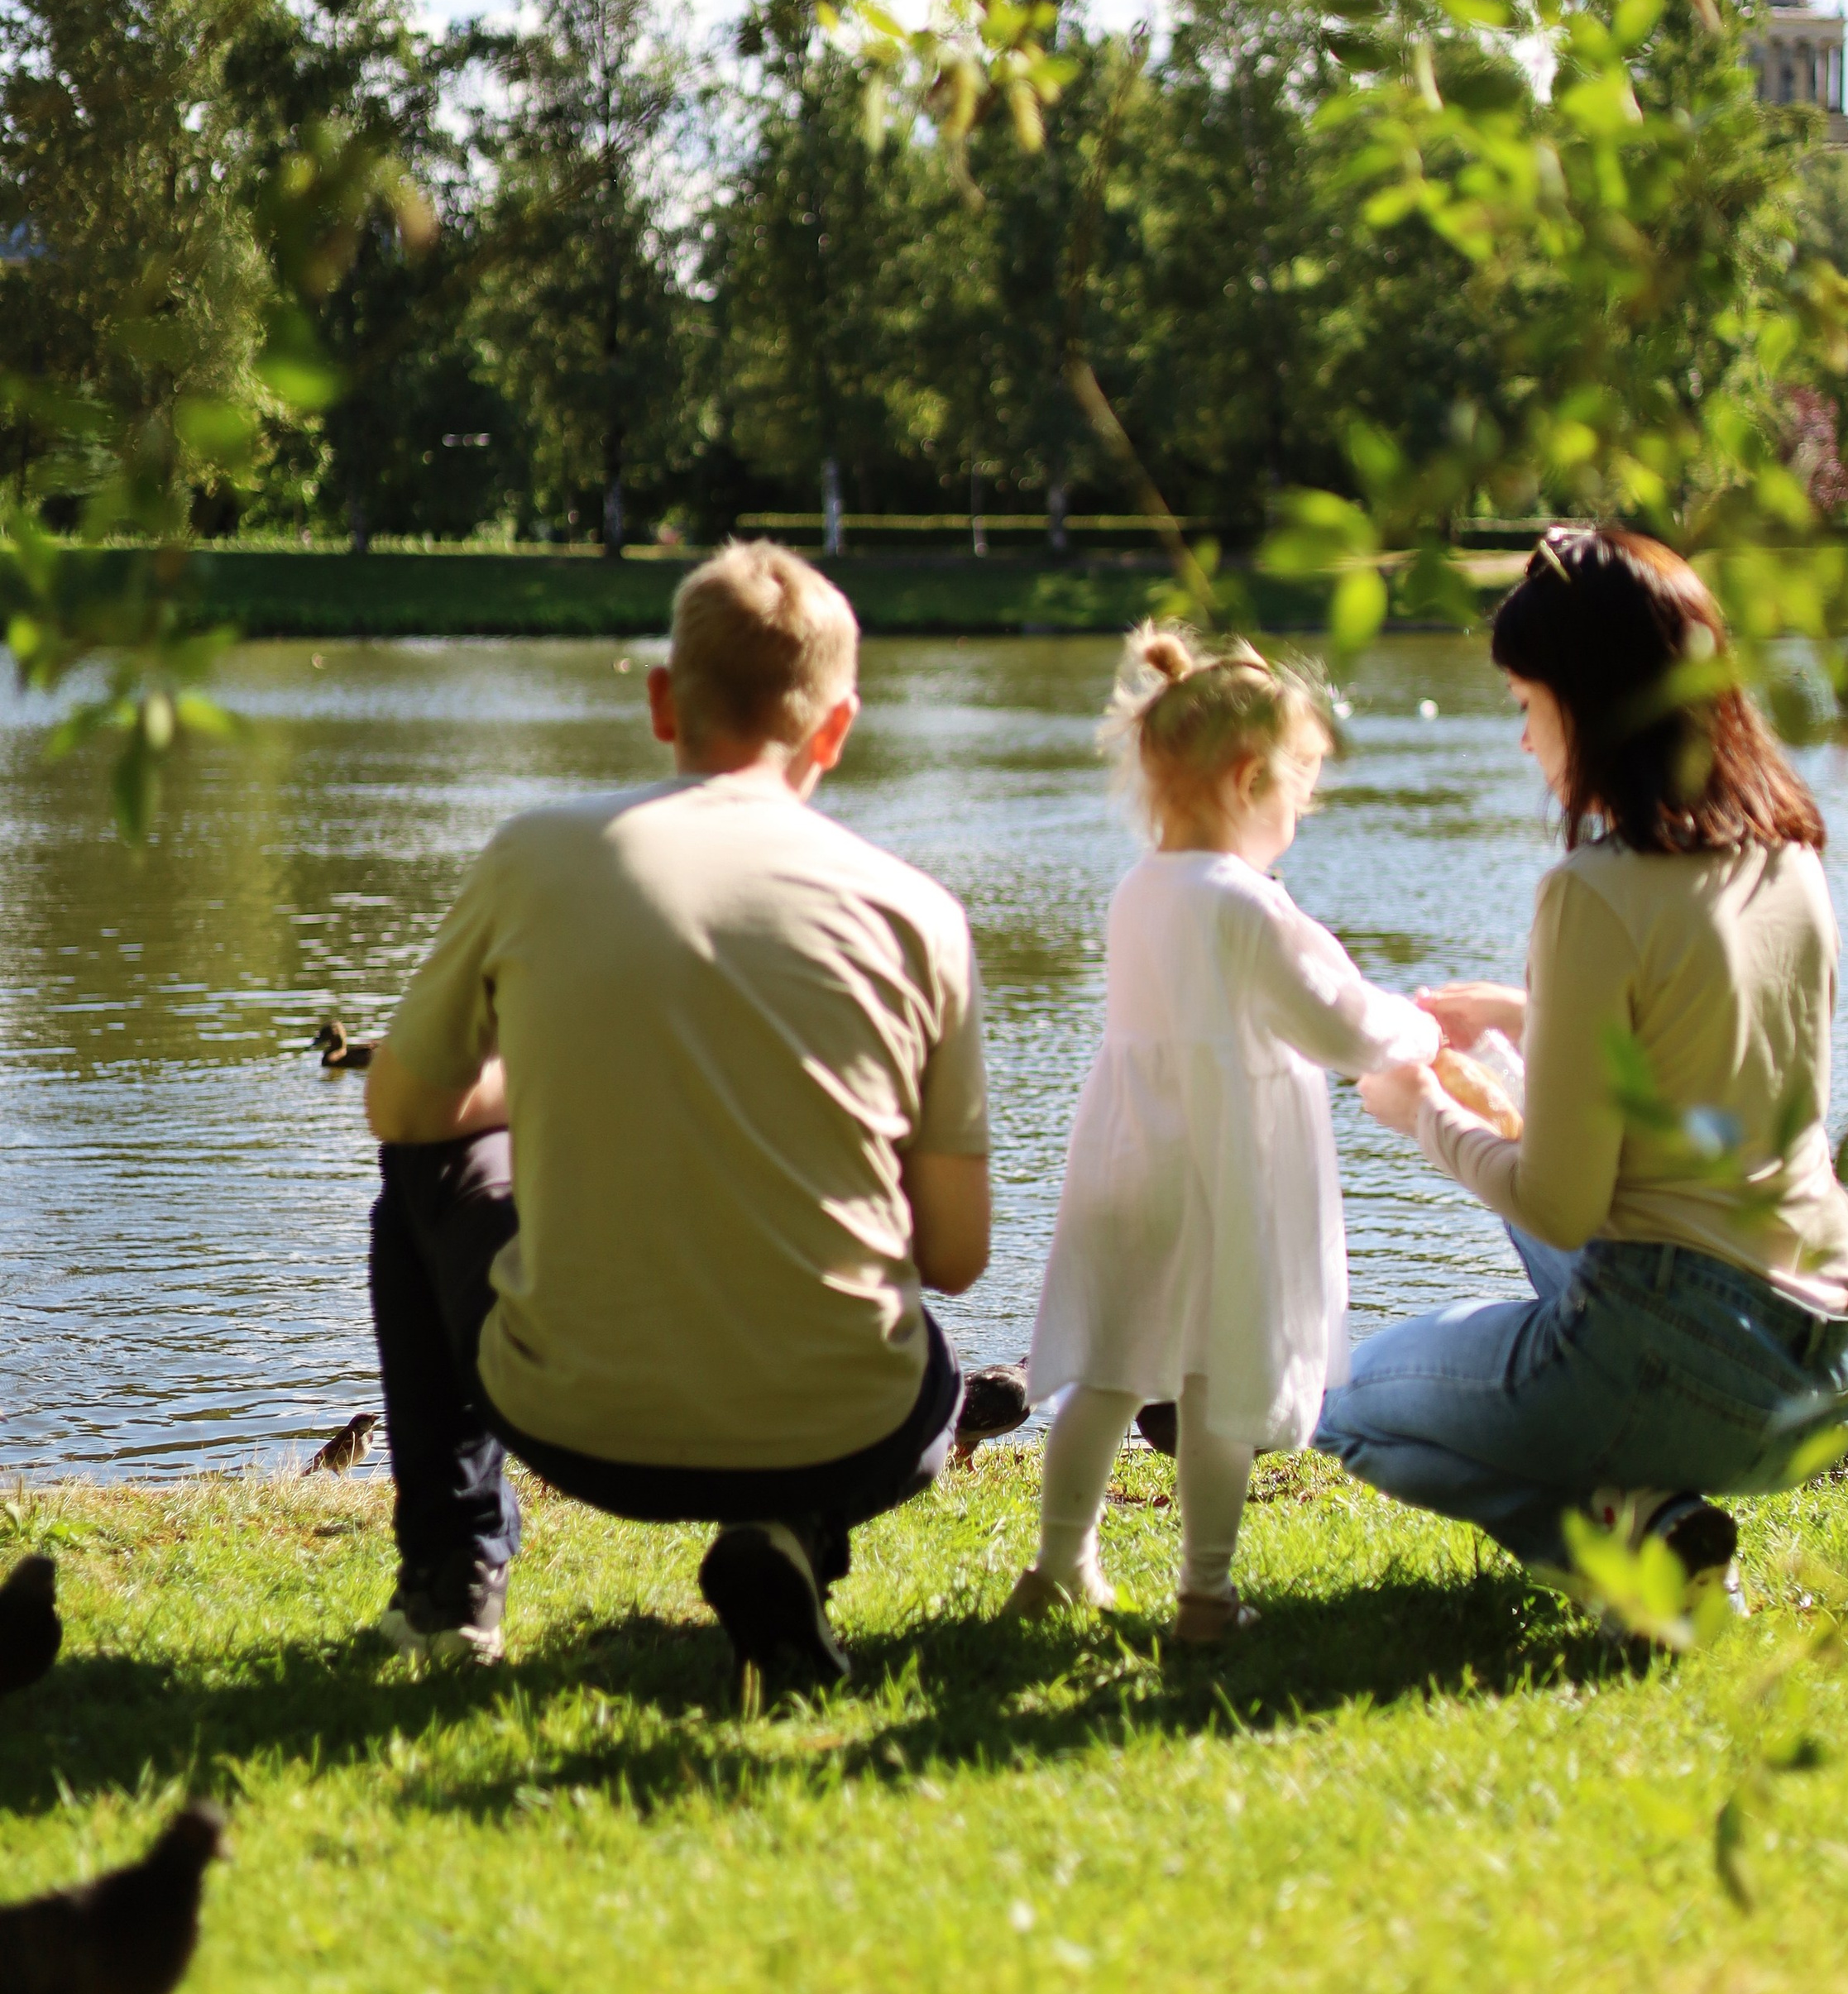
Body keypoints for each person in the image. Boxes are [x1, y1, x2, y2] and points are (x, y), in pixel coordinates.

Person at [361, 540, 990, 1686]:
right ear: (838, 730)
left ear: (662, 701)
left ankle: (453, 1584)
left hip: (583, 1428)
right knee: (888, 1326)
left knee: (419, 1171)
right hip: (856, 1429)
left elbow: (400, 1107)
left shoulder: (538, 855)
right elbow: (955, 1256)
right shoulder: (920, 915)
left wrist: (532, 1082)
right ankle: (792, 1533)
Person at [1315, 526, 1848, 1601]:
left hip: (1688, 1364)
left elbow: (1562, 1204)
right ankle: (1658, 1519)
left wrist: (1422, 1108)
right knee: (1540, 1147)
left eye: (1529, 707)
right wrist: (1528, 1019)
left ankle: (1630, 1553)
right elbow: (1713, 1049)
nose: (1526, 744)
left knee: (1332, 1399)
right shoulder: (1790, 860)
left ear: (1593, 705)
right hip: (1838, 1356)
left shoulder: (1592, 891)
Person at [1011, 626, 1437, 1643]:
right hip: (1221, 1172)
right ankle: (1205, 1594)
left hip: (1127, 1161)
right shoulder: (1248, 906)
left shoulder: (1138, 890)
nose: (1297, 817)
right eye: (1296, 794)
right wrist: (1420, 1027)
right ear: (1250, 780)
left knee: (1109, 1370)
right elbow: (1340, 1026)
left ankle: (1059, 1563)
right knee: (1217, 1381)